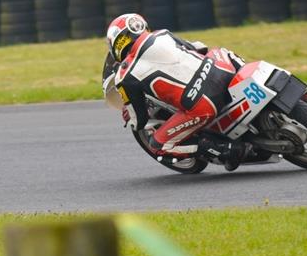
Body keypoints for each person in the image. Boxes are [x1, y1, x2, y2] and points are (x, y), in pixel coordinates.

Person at [102, 13, 249, 171]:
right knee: (216, 51)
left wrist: (129, 115)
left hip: (203, 105)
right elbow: (199, 48)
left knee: (158, 145)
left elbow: (140, 120)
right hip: (222, 70)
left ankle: (226, 149)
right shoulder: (163, 34)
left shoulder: (124, 76)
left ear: (118, 42)